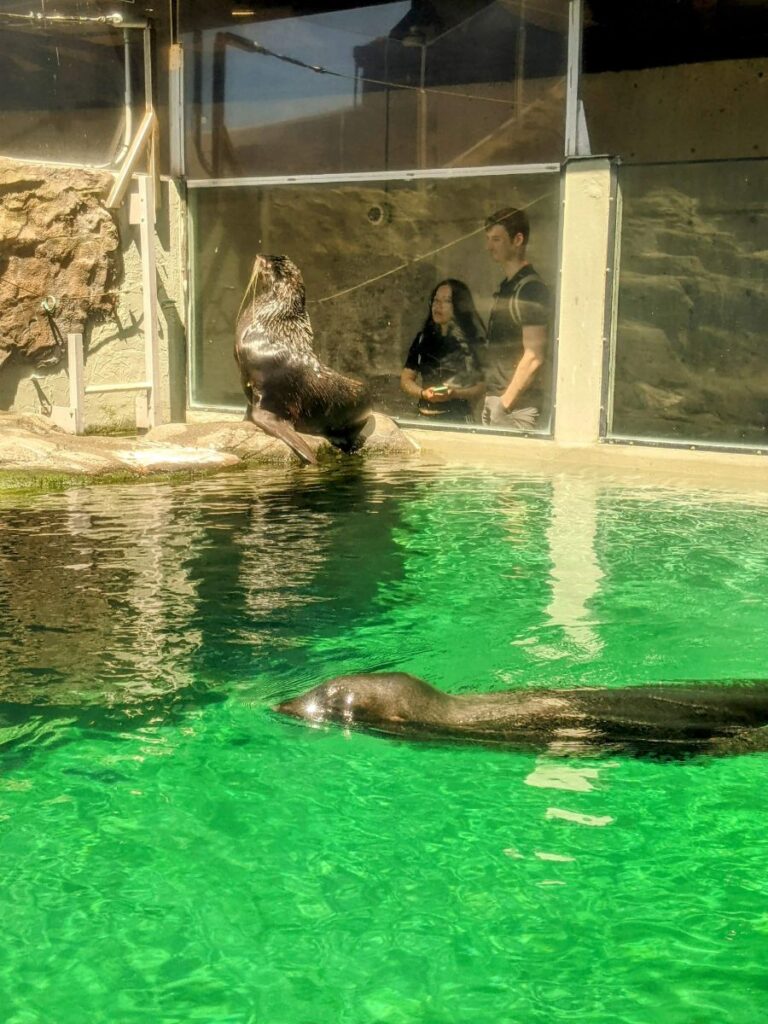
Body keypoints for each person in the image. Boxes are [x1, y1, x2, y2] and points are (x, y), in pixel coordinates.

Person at [481, 207, 551, 430]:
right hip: (497, 402)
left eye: (496, 239)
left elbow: (534, 356)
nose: (489, 247)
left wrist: (504, 404)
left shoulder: (531, 289)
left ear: (518, 240)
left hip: (516, 408)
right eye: (488, 239)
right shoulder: (508, 285)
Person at [400, 278, 486, 423]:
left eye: (446, 301)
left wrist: (455, 393)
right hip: (424, 417)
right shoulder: (423, 338)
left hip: (457, 419)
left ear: (459, 306)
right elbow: (406, 379)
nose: (438, 306)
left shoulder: (472, 342)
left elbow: (482, 387)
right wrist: (423, 393)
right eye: (435, 300)